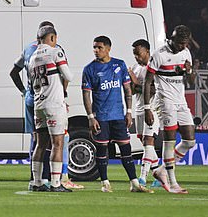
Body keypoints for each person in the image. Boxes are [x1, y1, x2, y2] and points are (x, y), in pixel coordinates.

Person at [82, 35, 152, 193]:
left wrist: (128, 112)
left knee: (125, 149)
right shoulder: (89, 69)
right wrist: (91, 117)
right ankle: (105, 183)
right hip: (100, 116)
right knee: (101, 150)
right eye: (94, 47)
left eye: (99, 47)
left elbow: (128, 90)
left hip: (118, 116)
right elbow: (86, 95)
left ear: (108, 48)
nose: (96, 51)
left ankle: (134, 183)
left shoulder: (119, 65)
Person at [145, 25, 197, 194]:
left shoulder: (186, 53)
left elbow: (191, 82)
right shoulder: (159, 54)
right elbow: (147, 82)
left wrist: (190, 72)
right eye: (180, 42)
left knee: (190, 141)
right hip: (164, 100)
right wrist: (147, 108)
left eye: (185, 43)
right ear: (172, 39)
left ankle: (160, 171)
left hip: (180, 101)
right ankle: (173, 183)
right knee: (170, 139)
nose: (182, 46)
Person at [28, 25, 74, 192]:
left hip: (38, 104)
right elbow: (69, 76)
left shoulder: (32, 57)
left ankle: (37, 182)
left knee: (40, 144)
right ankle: (55, 183)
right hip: (54, 104)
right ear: (53, 38)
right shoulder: (55, 52)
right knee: (57, 143)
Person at [128, 39, 169, 189]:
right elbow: (133, 91)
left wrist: (134, 80)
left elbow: (152, 90)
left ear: (146, 51)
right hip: (139, 108)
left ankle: (142, 178)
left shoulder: (154, 68)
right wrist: (131, 83)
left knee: (148, 141)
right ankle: (159, 175)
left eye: (138, 54)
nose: (136, 57)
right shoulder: (136, 67)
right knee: (143, 141)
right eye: (134, 54)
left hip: (152, 109)